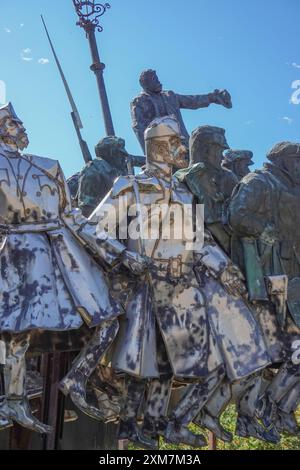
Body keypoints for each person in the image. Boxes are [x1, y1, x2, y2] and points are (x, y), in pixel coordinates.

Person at [89, 116, 270, 448]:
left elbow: (199, 242)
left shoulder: (185, 196)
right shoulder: (129, 186)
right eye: (176, 144)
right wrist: (124, 255)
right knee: (148, 365)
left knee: (202, 365)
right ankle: (134, 426)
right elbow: (93, 228)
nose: (183, 149)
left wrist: (226, 271)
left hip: (184, 289)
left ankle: (174, 421)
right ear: (160, 147)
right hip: (146, 285)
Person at [0, 102, 145, 433]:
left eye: (18, 120)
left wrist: (121, 254)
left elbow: (74, 218)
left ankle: (77, 379)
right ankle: (14, 400)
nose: (20, 126)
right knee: (16, 332)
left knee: (108, 320)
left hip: (59, 258)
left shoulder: (48, 166)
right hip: (14, 253)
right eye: (12, 122)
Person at [229, 141, 300, 436]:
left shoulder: (291, 189)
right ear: (283, 160)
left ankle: (276, 407)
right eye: (297, 159)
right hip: (269, 279)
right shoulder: (259, 180)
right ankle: (264, 408)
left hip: (291, 277)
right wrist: (265, 230)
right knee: (268, 352)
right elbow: (236, 215)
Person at [131, 69, 232, 151]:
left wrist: (213, 97)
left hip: (184, 145)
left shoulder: (169, 96)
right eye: (154, 80)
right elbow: (139, 129)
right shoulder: (139, 101)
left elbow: (193, 101)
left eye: (157, 79)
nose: (159, 82)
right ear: (145, 84)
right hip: (162, 150)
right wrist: (148, 156)